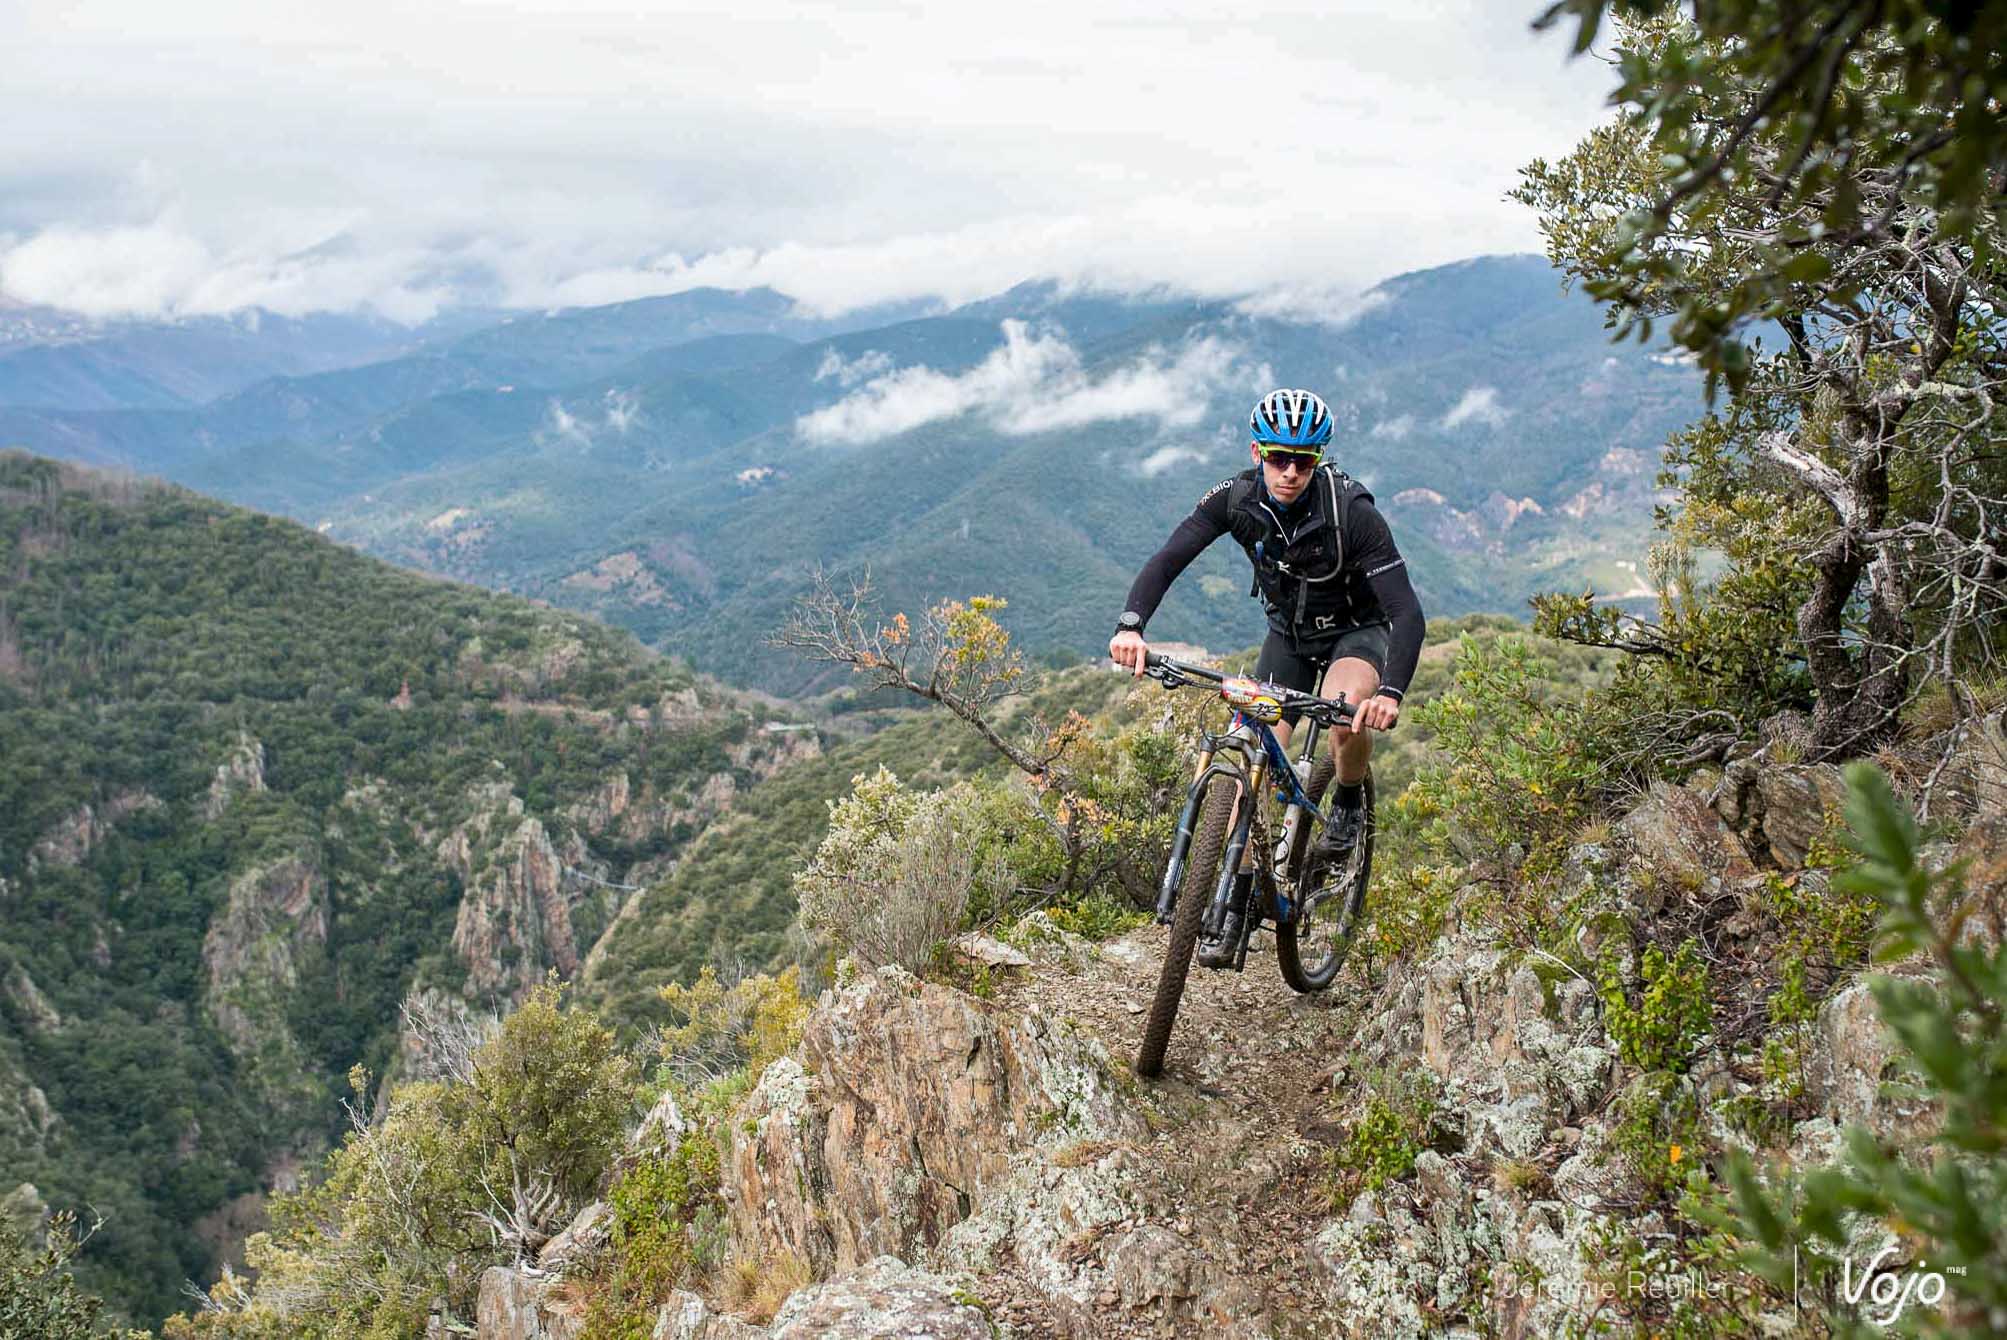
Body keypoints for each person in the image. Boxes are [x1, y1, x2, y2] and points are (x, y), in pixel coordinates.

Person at [1109, 387, 1426, 932]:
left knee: (1346, 714)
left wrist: (1391, 693)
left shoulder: (1352, 513)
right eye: (1279, 458)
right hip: (1289, 638)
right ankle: (1240, 894)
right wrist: (1131, 627)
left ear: (1318, 459)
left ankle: (1348, 799)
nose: (1290, 473)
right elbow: (1169, 559)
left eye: (1304, 461)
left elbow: (1406, 611)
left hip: (1355, 633)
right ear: (1257, 452)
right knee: (1251, 753)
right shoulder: (1235, 499)